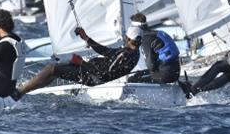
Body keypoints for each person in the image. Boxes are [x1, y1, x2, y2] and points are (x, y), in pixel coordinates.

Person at [13, 25, 141, 99]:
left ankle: (19, 92)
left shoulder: (125, 55)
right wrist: (86, 38)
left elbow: (103, 73)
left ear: (128, 38)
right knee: (54, 70)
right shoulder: (133, 53)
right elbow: (106, 52)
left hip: (92, 76)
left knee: (52, 69)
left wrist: (82, 63)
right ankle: (23, 90)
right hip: (91, 72)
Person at [126, 13, 181, 84]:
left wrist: (142, 73)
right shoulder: (156, 33)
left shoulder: (145, 39)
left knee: (133, 79)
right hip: (174, 73)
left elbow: (151, 66)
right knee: (141, 74)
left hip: (165, 75)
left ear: (136, 28)